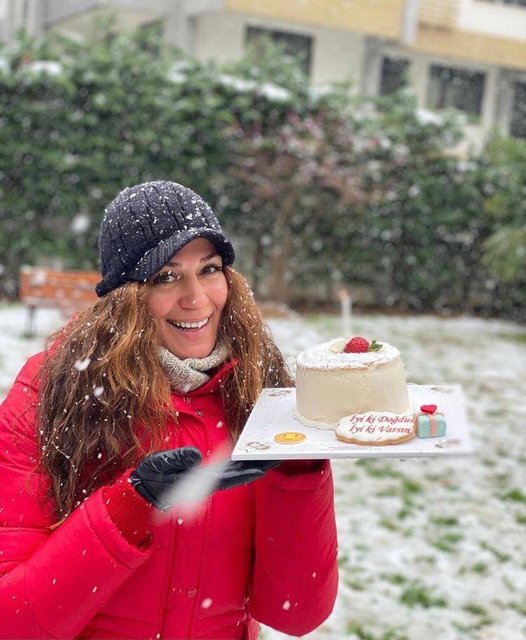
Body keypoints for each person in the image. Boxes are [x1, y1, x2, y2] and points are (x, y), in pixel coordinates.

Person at [0, 181, 338, 639]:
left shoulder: (261, 394)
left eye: (210, 269)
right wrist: (129, 506)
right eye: (166, 275)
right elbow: (13, 621)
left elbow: (295, 613)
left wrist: (299, 474)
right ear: (124, 297)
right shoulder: (52, 392)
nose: (196, 298)